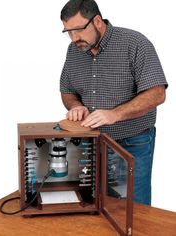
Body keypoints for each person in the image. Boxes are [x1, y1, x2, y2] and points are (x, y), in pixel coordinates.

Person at [60, 0, 168, 205]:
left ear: (97, 21)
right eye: (68, 32)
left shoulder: (135, 43)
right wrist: (75, 105)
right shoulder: (74, 51)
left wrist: (115, 114)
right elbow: (67, 90)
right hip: (90, 142)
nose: (74, 38)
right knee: (94, 205)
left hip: (132, 143)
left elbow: (157, 94)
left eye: (78, 30)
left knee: (135, 209)